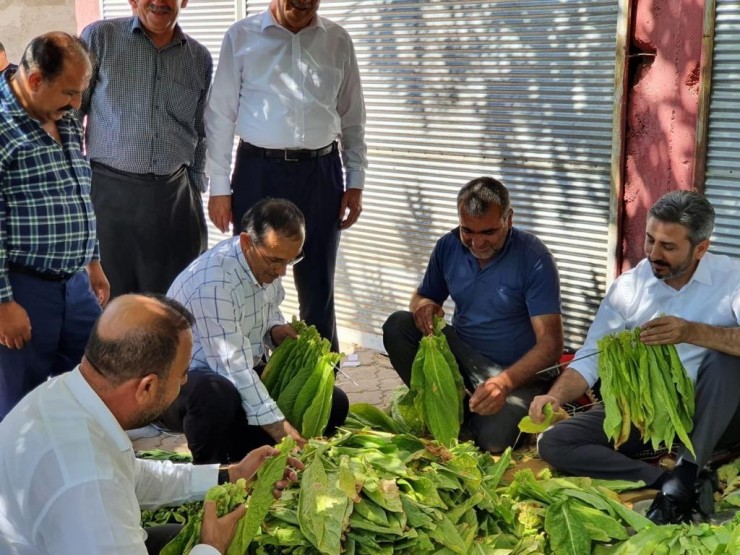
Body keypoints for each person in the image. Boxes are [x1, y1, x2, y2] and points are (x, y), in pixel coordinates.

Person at [0, 294, 300, 555]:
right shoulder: (89, 486)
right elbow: (103, 483)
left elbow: (130, 474)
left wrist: (230, 475)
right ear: (146, 387)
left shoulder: (65, 394)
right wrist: (213, 546)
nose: (186, 381)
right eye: (183, 373)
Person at [529, 190, 740, 525]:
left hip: (720, 415)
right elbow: (590, 357)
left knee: (727, 360)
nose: (654, 253)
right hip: (653, 415)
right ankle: (669, 480)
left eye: (668, 247)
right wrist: (554, 397)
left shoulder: (733, 279)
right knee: (554, 443)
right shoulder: (630, 287)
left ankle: (684, 473)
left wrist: (692, 332)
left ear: (701, 248)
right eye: (650, 240)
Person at [205, 0, 367, 352]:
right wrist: (219, 188)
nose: (302, 4)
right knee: (251, 273)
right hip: (257, 170)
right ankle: (250, 367)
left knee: (318, 280)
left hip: (321, 173)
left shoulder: (338, 40)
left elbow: (353, 117)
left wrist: (355, 181)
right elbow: (220, 115)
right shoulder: (241, 36)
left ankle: (322, 379)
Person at [383, 176, 564, 453]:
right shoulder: (448, 245)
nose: (477, 243)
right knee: (398, 325)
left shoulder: (534, 258)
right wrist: (423, 307)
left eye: (488, 233)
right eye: (468, 231)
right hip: (465, 358)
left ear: (509, 219)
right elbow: (423, 295)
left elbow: (551, 345)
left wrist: (503, 383)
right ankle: (447, 410)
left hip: (516, 372)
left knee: (493, 441)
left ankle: (465, 420)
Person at [161, 198, 349, 464]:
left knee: (334, 402)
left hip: (238, 374)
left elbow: (269, 309)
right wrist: (281, 430)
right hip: (183, 385)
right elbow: (233, 368)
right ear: (247, 242)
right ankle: (212, 472)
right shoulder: (214, 284)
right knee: (217, 396)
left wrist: (275, 331)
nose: (282, 271)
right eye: (275, 261)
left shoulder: (264, 265)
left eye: (291, 260)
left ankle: (247, 452)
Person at [0, 32, 109, 421]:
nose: (77, 104)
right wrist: (2, 303)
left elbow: (78, 190)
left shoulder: (63, 115)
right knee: (19, 410)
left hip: (76, 286)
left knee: (93, 390)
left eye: (80, 93)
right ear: (34, 81)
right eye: (69, 92)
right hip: (21, 291)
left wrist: (92, 261)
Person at [79, 0, 212, 298]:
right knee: (109, 304)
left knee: (170, 305)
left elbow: (202, 131)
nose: (159, 2)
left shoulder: (199, 57)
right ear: (133, 1)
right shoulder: (99, 38)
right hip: (108, 197)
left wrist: (194, 185)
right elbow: (72, 113)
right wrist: (75, 186)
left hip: (173, 200)